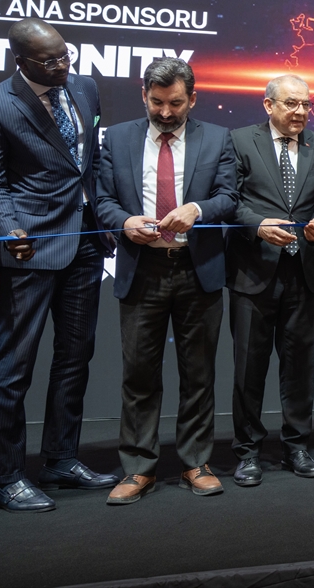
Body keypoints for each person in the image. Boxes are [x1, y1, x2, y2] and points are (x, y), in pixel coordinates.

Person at [96, 59, 238, 503]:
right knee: (139, 374)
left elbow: (229, 197)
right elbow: (101, 199)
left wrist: (197, 209)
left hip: (197, 270)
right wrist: (123, 221)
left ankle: (195, 463)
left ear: (192, 98)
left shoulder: (217, 137)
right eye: (157, 102)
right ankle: (139, 468)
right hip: (142, 270)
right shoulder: (118, 138)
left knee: (198, 373)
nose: (165, 112)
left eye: (175, 103)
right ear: (144, 95)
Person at [0, 19, 118, 513]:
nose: (63, 65)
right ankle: (5, 476)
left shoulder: (84, 87)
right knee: (14, 365)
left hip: (85, 241)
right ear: (21, 61)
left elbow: (90, 162)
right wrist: (8, 228)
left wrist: (102, 214)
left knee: (75, 356)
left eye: (66, 55)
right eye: (50, 61)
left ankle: (61, 459)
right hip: (31, 245)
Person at [228, 75, 314, 486]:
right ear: (268, 105)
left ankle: (296, 446)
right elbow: (229, 199)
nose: (300, 112)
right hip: (253, 271)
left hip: (303, 272)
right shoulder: (240, 141)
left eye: (306, 104)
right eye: (291, 103)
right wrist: (257, 225)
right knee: (249, 369)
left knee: (299, 367)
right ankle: (248, 452)